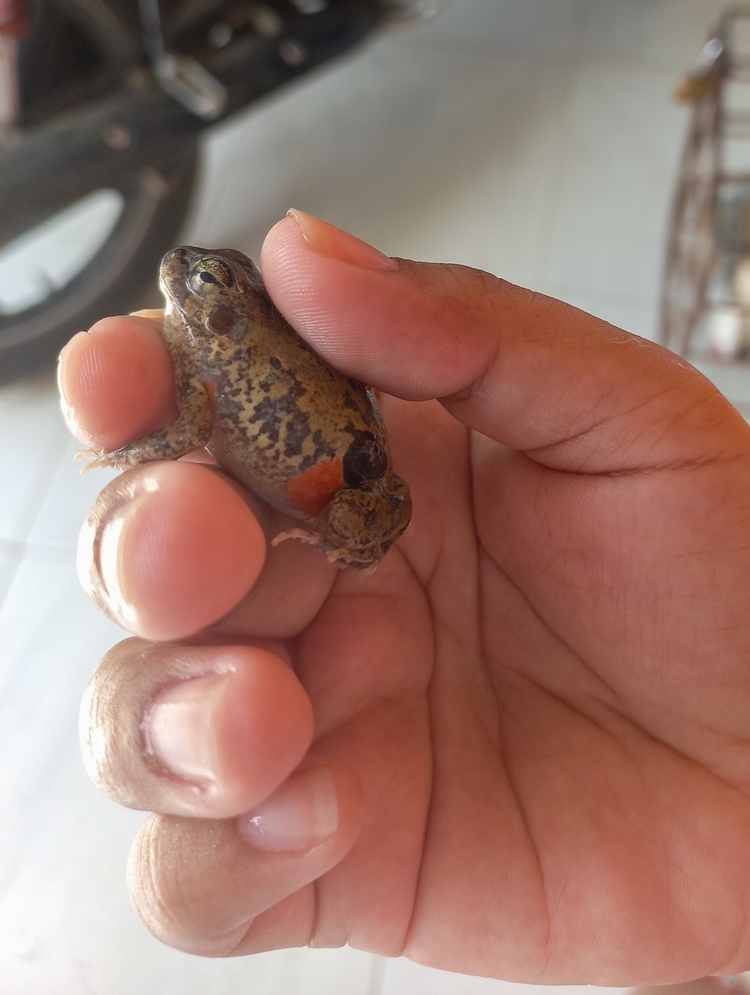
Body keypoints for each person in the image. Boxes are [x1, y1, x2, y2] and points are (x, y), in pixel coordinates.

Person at [58, 210, 750, 983]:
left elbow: (185, 424)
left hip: (346, 485)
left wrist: (135, 450)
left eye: (207, 281)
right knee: (185, 573)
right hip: (340, 476)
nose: (185, 277)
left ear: (226, 308)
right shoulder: (213, 351)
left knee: (210, 580)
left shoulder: (217, 357)